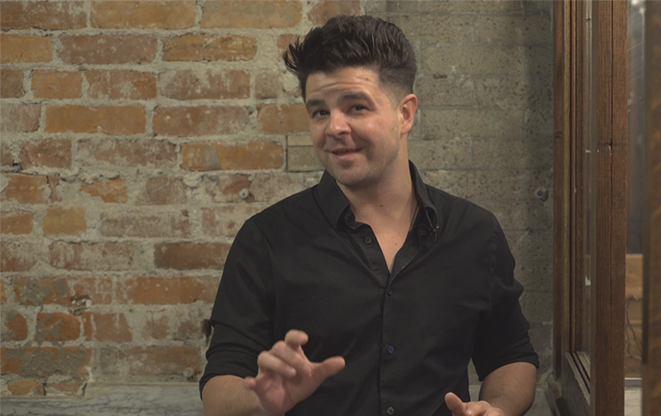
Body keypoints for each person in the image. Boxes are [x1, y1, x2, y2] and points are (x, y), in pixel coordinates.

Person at [200, 15, 538, 416]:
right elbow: (219, 386)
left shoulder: (475, 233)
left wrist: (498, 407)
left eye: (356, 107)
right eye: (319, 112)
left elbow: (510, 356)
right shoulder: (266, 239)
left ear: (405, 114)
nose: (334, 127)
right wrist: (260, 399)